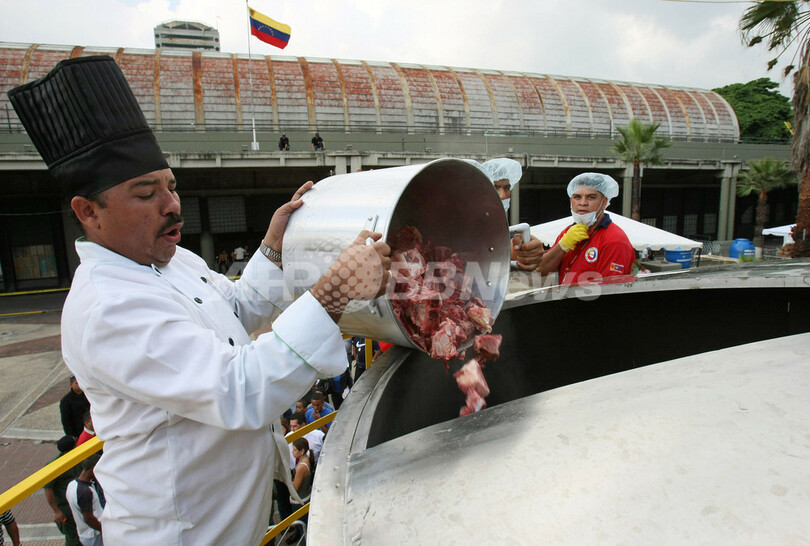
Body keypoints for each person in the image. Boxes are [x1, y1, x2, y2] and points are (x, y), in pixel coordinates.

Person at [9, 55, 391, 545]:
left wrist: (273, 243)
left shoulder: (170, 259)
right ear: (88, 212)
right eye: (146, 194)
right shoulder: (108, 306)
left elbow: (237, 310)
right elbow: (237, 389)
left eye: (171, 186)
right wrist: (335, 293)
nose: (171, 204)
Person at [536, 172, 635, 284]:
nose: (583, 203)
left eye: (591, 197)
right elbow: (541, 271)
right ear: (571, 201)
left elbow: (609, 291)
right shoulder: (568, 232)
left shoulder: (615, 239)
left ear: (604, 202)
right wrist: (562, 246)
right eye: (577, 197)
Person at [479, 158, 546, 271]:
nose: (503, 195)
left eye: (507, 188)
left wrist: (523, 250)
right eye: (495, 187)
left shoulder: (502, 230)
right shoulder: (461, 224)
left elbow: (508, 246)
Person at [43, 436, 83, 546]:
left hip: (82, 503)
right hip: (67, 508)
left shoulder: (79, 457)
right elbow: (48, 490)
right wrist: (57, 511)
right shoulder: (53, 466)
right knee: (73, 538)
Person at [66, 453, 105, 546]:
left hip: (85, 534)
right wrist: (105, 530)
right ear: (93, 469)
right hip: (94, 535)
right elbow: (88, 518)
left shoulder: (72, 485)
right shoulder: (85, 492)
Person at [60, 375, 90, 440]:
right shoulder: (66, 401)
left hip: (90, 427)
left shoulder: (87, 394)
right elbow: (66, 420)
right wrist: (72, 436)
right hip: (78, 431)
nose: (79, 385)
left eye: (80, 382)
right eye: (76, 383)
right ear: (71, 385)